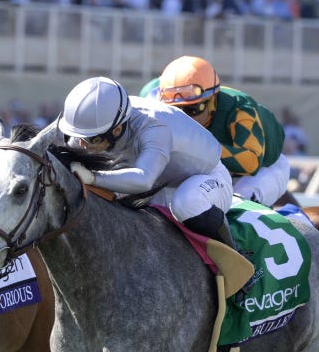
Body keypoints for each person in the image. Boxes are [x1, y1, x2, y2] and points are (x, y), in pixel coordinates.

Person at [57, 75, 237, 250]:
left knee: (186, 202)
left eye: (91, 140)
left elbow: (144, 180)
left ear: (117, 130)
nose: (81, 145)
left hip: (206, 178)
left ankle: (236, 259)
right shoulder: (106, 120)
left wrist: (93, 177)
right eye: (79, 137)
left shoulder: (154, 128)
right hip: (161, 182)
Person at [147, 55, 289, 207]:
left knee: (236, 203)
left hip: (261, 170)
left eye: (193, 109)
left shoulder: (240, 109)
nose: (184, 118)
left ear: (213, 100)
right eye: (175, 110)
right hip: (216, 172)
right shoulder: (155, 106)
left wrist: (199, 145)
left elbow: (251, 162)